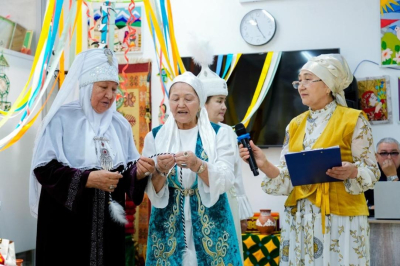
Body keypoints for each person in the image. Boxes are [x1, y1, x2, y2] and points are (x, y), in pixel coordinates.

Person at [239, 54, 380, 265]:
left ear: (327, 86)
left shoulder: (354, 119)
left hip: (341, 217)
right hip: (301, 217)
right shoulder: (295, 125)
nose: (300, 86)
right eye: (299, 80)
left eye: (308, 79)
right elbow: (288, 177)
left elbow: (372, 171)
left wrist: (353, 171)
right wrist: (264, 164)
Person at [29, 48, 155, 266]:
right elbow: (44, 169)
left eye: (114, 88)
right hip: (67, 224)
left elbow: (127, 173)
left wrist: (140, 172)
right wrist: (87, 179)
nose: (109, 94)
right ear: (87, 86)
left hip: (107, 227)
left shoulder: (120, 125)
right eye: (103, 87)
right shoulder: (61, 118)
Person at [143, 72, 242, 265]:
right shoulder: (155, 137)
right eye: (175, 99)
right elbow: (150, 188)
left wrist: (198, 165)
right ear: (169, 102)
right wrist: (161, 171)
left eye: (188, 99)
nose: (181, 104)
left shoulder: (220, 133)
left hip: (212, 219)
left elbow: (226, 178)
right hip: (167, 221)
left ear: (200, 101)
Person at [197, 59, 253, 260]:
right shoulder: (185, 131)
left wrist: (240, 215)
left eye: (224, 101)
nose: (224, 107)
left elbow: (235, 176)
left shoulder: (227, 132)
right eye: (218, 101)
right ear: (202, 102)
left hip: (224, 206)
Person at [365, 137, 400, 213]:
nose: (389, 157)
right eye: (384, 153)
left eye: (394, 153)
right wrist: (370, 207)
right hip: (375, 217)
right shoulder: (370, 172)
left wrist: (392, 176)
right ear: (376, 157)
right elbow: (360, 202)